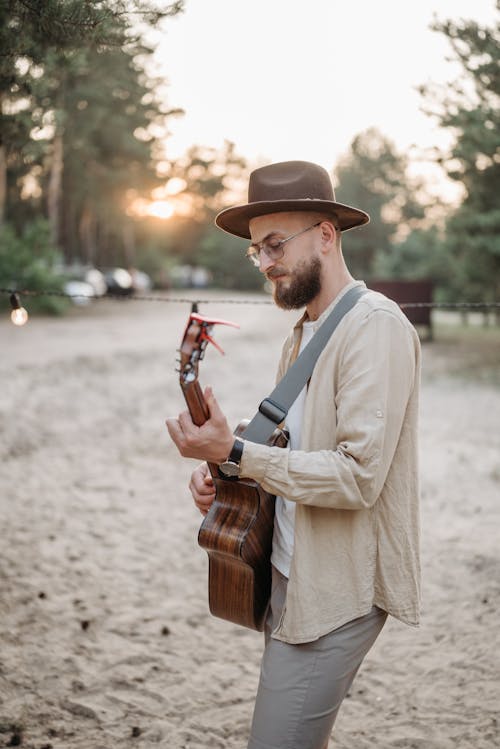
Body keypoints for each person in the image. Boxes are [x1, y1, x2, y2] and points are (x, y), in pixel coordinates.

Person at [166, 160, 421, 749]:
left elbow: (358, 478)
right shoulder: (305, 332)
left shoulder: (373, 327)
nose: (265, 264)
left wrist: (236, 451)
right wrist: (228, 472)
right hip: (288, 571)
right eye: (255, 251)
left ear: (326, 235)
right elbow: (290, 452)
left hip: (337, 589)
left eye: (275, 245)